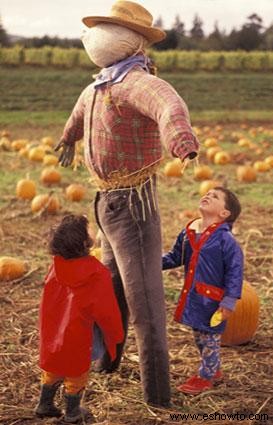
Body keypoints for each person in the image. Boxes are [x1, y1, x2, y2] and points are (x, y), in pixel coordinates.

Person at [54, 0, 199, 407]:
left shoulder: (138, 82)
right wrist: (68, 137)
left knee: (146, 300)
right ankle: (109, 359)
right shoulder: (100, 84)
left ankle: (157, 394)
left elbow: (169, 106)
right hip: (107, 203)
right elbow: (80, 113)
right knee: (110, 287)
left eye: (107, 28)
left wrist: (182, 143)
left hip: (133, 206)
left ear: (130, 41)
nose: (95, 36)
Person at [35, 214, 124, 423]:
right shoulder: (97, 273)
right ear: (85, 242)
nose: (93, 229)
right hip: (80, 332)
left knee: (54, 367)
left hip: (55, 331)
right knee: (77, 373)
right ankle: (73, 413)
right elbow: (106, 310)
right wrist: (115, 333)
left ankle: (44, 403)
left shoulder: (56, 267)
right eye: (89, 228)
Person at [162, 187, 243, 394]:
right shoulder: (188, 231)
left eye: (214, 196)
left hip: (213, 301)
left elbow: (235, 272)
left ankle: (205, 377)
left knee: (209, 339)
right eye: (206, 193)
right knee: (199, 337)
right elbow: (175, 257)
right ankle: (213, 369)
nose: (207, 195)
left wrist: (229, 301)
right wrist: (154, 263)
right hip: (194, 298)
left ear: (224, 214)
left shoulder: (226, 241)